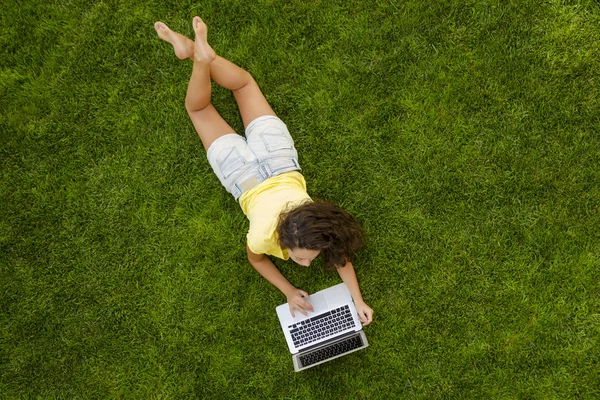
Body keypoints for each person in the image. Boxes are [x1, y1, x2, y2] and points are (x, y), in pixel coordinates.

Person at [154, 17, 373, 325]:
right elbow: (255, 257)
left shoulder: (311, 217)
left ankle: (196, 53)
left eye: (305, 257)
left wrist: (355, 300)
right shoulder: (261, 236)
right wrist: (287, 288)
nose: (306, 264)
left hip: (278, 157)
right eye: (299, 258)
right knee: (199, 109)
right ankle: (195, 55)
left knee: (244, 84)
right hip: (242, 173)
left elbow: (337, 256)